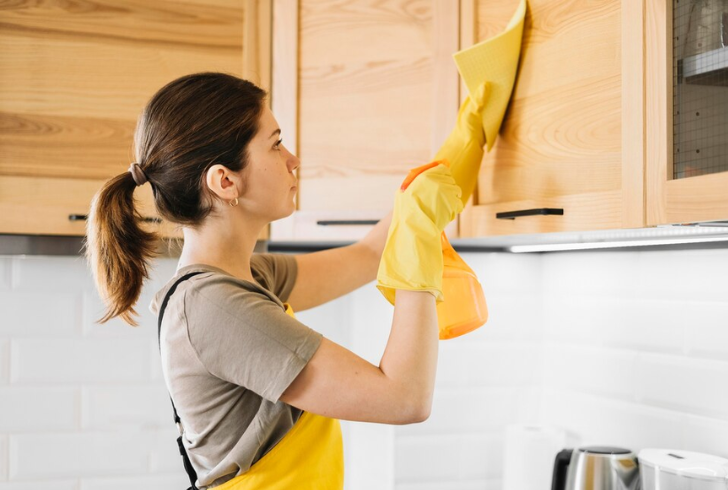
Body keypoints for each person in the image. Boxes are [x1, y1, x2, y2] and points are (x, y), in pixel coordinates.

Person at [85, 72, 465, 489]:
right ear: (225, 181)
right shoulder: (215, 307)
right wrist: (419, 235)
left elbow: (370, 254)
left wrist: (467, 138)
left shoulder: (244, 279)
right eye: (276, 143)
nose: (293, 159)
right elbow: (404, 398)